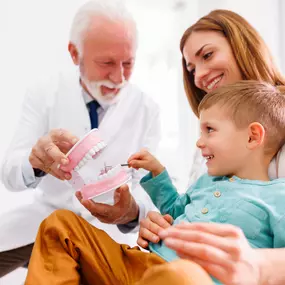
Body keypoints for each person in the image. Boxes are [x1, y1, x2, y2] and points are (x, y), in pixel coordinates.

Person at [24, 80, 285, 285]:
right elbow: (175, 212)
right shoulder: (207, 181)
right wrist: (158, 172)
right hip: (141, 265)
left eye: (210, 130)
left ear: (252, 137)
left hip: (186, 279)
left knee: (182, 275)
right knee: (60, 225)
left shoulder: (278, 197)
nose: (199, 141)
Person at [0, 0, 161, 277]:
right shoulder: (44, 94)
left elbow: (153, 191)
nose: (119, 77)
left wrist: (131, 211)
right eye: (107, 63)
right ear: (74, 54)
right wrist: (34, 163)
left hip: (107, 233)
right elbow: (10, 172)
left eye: (128, 63)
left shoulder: (147, 110)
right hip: (43, 220)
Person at [139, 9, 285, 285]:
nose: (199, 76)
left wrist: (257, 264)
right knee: (62, 228)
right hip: (168, 263)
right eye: (191, 69)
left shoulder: (277, 194)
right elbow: (189, 207)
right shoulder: (210, 154)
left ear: (243, 46)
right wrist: (158, 226)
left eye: (207, 55)